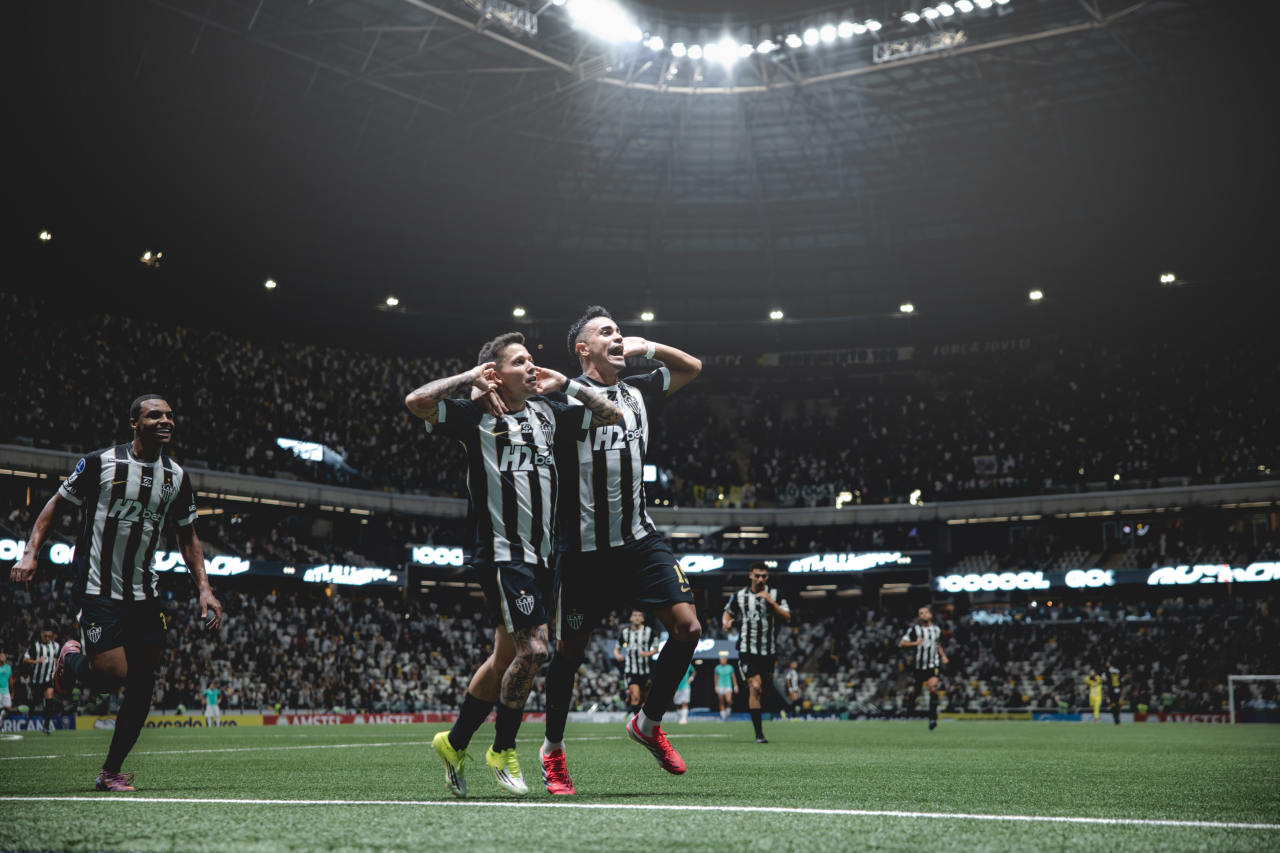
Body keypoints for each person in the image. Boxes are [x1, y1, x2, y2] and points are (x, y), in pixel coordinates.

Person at [407, 332, 621, 798]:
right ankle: (502, 749)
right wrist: (469, 378)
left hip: (543, 556)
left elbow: (614, 414)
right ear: (494, 374)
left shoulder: (547, 412)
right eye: (520, 361)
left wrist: (566, 384)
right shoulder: (473, 415)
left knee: (506, 656)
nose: (531, 365)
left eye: (532, 360)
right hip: (504, 553)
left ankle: (454, 742)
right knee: (536, 652)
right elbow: (416, 401)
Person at [525, 306, 703, 794]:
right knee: (570, 654)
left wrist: (651, 347)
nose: (618, 337)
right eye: (607, 333)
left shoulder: (639, 390)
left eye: (620, 331)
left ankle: (646, 724)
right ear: (583, 349)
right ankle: (553, 751)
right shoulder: (562, 405)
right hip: (584, 552)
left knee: (688, 628)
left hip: (640, 541)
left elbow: (693, 368)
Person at [11, 394, 222, 792]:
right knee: (110, 676)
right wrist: (30, 552)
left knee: (143, 684)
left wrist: (205, 589)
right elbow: (56, 505)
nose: (166, 420)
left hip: (145, 593)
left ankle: (110, 771)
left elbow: (187, 534)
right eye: (155, 415)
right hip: (97, 587)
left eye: (170, 415)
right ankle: (70, 657)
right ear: (133, 423)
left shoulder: (176, 476)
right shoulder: (100, 463)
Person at [723, 562, 791, 743]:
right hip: (747, 650)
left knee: (764, 693)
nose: (760, 579)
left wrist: (772, 603)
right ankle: (759, 735)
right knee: (756, 687)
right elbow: (728, 613)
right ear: (750, 576)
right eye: (757, 575)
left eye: (764, 576)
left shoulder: (776, 595)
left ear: (767, 577)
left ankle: (749, 687)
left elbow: (787, 618)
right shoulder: (740, 596)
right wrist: (726, 622)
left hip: (769, 652)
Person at [899, 605, 949, 731]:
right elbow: (902, 644)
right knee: (916, 692)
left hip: (933, 665)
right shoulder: (915, 630)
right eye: (922, 613)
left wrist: (943, 656)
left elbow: (937, 644)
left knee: (933, 689)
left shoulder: (936, 630)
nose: (925, 614)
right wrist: (915, 643)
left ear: (930, 615)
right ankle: (909, 709)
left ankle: (932, 719)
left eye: (926, 612)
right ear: (919, 617)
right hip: (919, 667)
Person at [614, 610, 657, 719]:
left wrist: (647, 653)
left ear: (643, 619)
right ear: (631, 619)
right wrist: (617, 655)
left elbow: (656, 649)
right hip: (630, 670)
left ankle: (639, 720)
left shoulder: (649, 632)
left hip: (645, 670)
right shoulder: (625, 632)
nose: (637, 617)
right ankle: (635, 722)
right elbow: (616, 648)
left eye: (639, 615)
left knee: (643, 699)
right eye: (634, 615)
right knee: (636, 696)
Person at [24, 628, 61, 735]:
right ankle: (32, 708)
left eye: (49, 636)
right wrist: (36, 661)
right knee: (36, 700)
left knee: (49, 699)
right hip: (36, 680)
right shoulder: (35, 646)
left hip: (49, 679)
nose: (47, 638)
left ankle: (46, 726)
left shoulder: (56, 646)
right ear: (41, 635)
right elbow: (25, 659)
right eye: (45, 636)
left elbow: (58, 658)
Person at [714, 651, 737, 720]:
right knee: (721, 702)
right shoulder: (717, 668)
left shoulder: (730, 667)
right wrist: (716, 686)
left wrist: (736, 686)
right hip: (720, 686)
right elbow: (715, 678)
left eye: (723, 659)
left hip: (728, 686)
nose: (722, 661)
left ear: (726, 660)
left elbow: (733, 677)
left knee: (729, 700)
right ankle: (723, 717)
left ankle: (728, 711)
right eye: (720, 659)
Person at [1105, 660, 1123, 725]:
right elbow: (1121, 680)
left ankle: (1116, 719)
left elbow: (1104, 679)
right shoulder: (1118, 670)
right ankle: (1118, 718)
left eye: (1107, 662)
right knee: (1117, 704)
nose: (1106, 663)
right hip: (1118, 688)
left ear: (1110, 664)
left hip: (1112, 689)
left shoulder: (1108, 671)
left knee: (1113, 704)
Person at [0, 651, 12, 728]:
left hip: (6, 691)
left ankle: (0, 718)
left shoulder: (8, 667)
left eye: (4, 656)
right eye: (1, 656)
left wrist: (12, 691)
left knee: (8, 707)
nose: (3, 658)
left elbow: (10, 679)